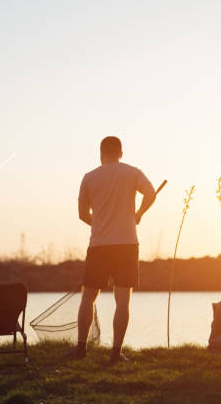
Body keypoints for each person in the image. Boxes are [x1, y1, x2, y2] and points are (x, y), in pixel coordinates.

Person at [73, 136, 156, 363]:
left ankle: (81, 349)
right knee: (123, 299)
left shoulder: (89, 178)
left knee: (88, 296)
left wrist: (98, 223)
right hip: (127, 244)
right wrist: (139, 214)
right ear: (121, 153)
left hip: (99, 245)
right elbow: (151, 194)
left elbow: (82, 214)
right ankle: (115, 352)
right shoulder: (132, 172)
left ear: (101, 153)